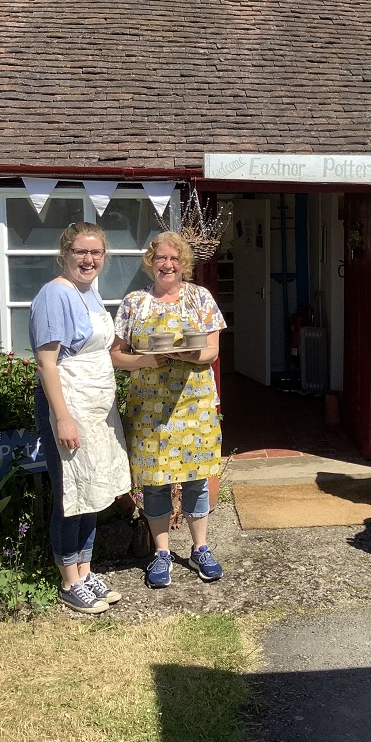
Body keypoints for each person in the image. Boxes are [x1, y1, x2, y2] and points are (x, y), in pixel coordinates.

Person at [112, 231, 226, 589]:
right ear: (151, 261)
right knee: (156, 483)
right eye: (161, 258)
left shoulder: (200, 298)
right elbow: (116, 355)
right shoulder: (134, 303)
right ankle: (161, 553)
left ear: (184, 263)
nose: (168, 265)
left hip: (194, 403)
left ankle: (200, 548)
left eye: (174, 259)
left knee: (195, 478)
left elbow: (212, 351)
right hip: (149, 407)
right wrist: (145, 359)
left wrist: (190, 354)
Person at [29, 222, 132, 614]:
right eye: (80, 252)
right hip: (68, 407)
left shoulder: (89, 293)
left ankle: (86, 572)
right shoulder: (55, 294)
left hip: (94, 408)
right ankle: (69, 580)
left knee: (91, 491)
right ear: (65, 253)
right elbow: (46, 363)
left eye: (96, 253)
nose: (88, 260)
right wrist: (63, 419)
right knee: (71, 495)